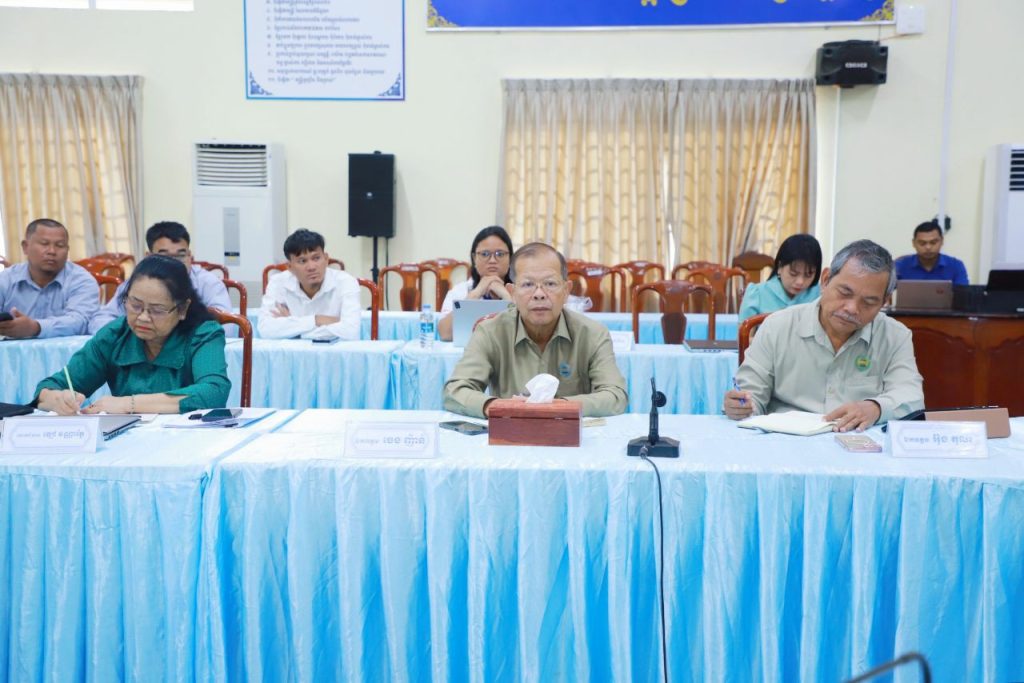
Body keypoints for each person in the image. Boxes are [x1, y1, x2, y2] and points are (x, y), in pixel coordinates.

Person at [725, 240, 923, 432]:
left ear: (884, 302)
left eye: (869, 302)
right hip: (785, 441)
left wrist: (876, 408)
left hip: (857, 441)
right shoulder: (777, 327)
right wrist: (742, 406)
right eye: (845, 292)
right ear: (826, 279)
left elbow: (911, 397)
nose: (852, 308)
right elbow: (750, 393)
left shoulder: (894, 336)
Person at [443, 242, 628, 418]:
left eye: (550, 284)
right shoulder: (490, 332)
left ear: (566, 291)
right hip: (510, 432)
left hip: (571, 435)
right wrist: (502, 407)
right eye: (528, 284)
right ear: (512, 293)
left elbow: (615, 396)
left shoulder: (592, 334)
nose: (539, 294)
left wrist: (558, 407)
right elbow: (454, 392)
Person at [34, 255, 231, 415]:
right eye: (135, 305)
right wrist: (56, 399)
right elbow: (49, 387)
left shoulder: (203, 333)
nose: (143, 317)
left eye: (157, 310)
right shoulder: (114, 335)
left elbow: (214, 391)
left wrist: (129, 404)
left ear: (182, 309)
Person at [89, 221, 231, 333]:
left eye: (181, 255)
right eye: (165, 256)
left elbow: (228, 327)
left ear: (190, 256)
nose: (174, 262)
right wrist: (132, 334)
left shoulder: (208, 283)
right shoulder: (137, 283)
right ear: (149, 257)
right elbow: (100, 321)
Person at [0, 218, 99, 338]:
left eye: (60, 245)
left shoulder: (82, 280)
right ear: (25, 247)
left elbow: (80, 322)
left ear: (67, 250)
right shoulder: (6, 279)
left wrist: (36, 327)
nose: (52, 251)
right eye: (44, 244)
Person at [257, 228, 360, 340]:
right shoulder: (278, 282)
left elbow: (350, 332)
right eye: (302, 261)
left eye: (316, 258)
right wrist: (316, 320)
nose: (311, 267)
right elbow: (265, 329)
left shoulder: (346, 282)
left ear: (326, 259)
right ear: (290, 267)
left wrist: (293, 328)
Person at [437, 225, 514, 341]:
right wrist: (474, 294)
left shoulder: (521, 290)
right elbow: (444, 334)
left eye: (500, 254)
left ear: (510, 258)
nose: (492, 260)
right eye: (485, 254)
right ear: (474, 258)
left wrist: (507, 297)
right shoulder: (460, 291)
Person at [738, 233, 822, 321]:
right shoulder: (756, 294)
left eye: (808, 275)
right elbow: (745, 329)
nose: (800, 282)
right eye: (793, 273)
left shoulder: (819, 295)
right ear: (779, 267)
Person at [894, 220, 969, 285]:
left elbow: (963, 294)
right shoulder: (900, 265)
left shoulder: (956, 266)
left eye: (933, 242)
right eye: (922, 243)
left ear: (942, 241)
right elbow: (888, 292)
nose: (928, 247)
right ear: (913, 243)